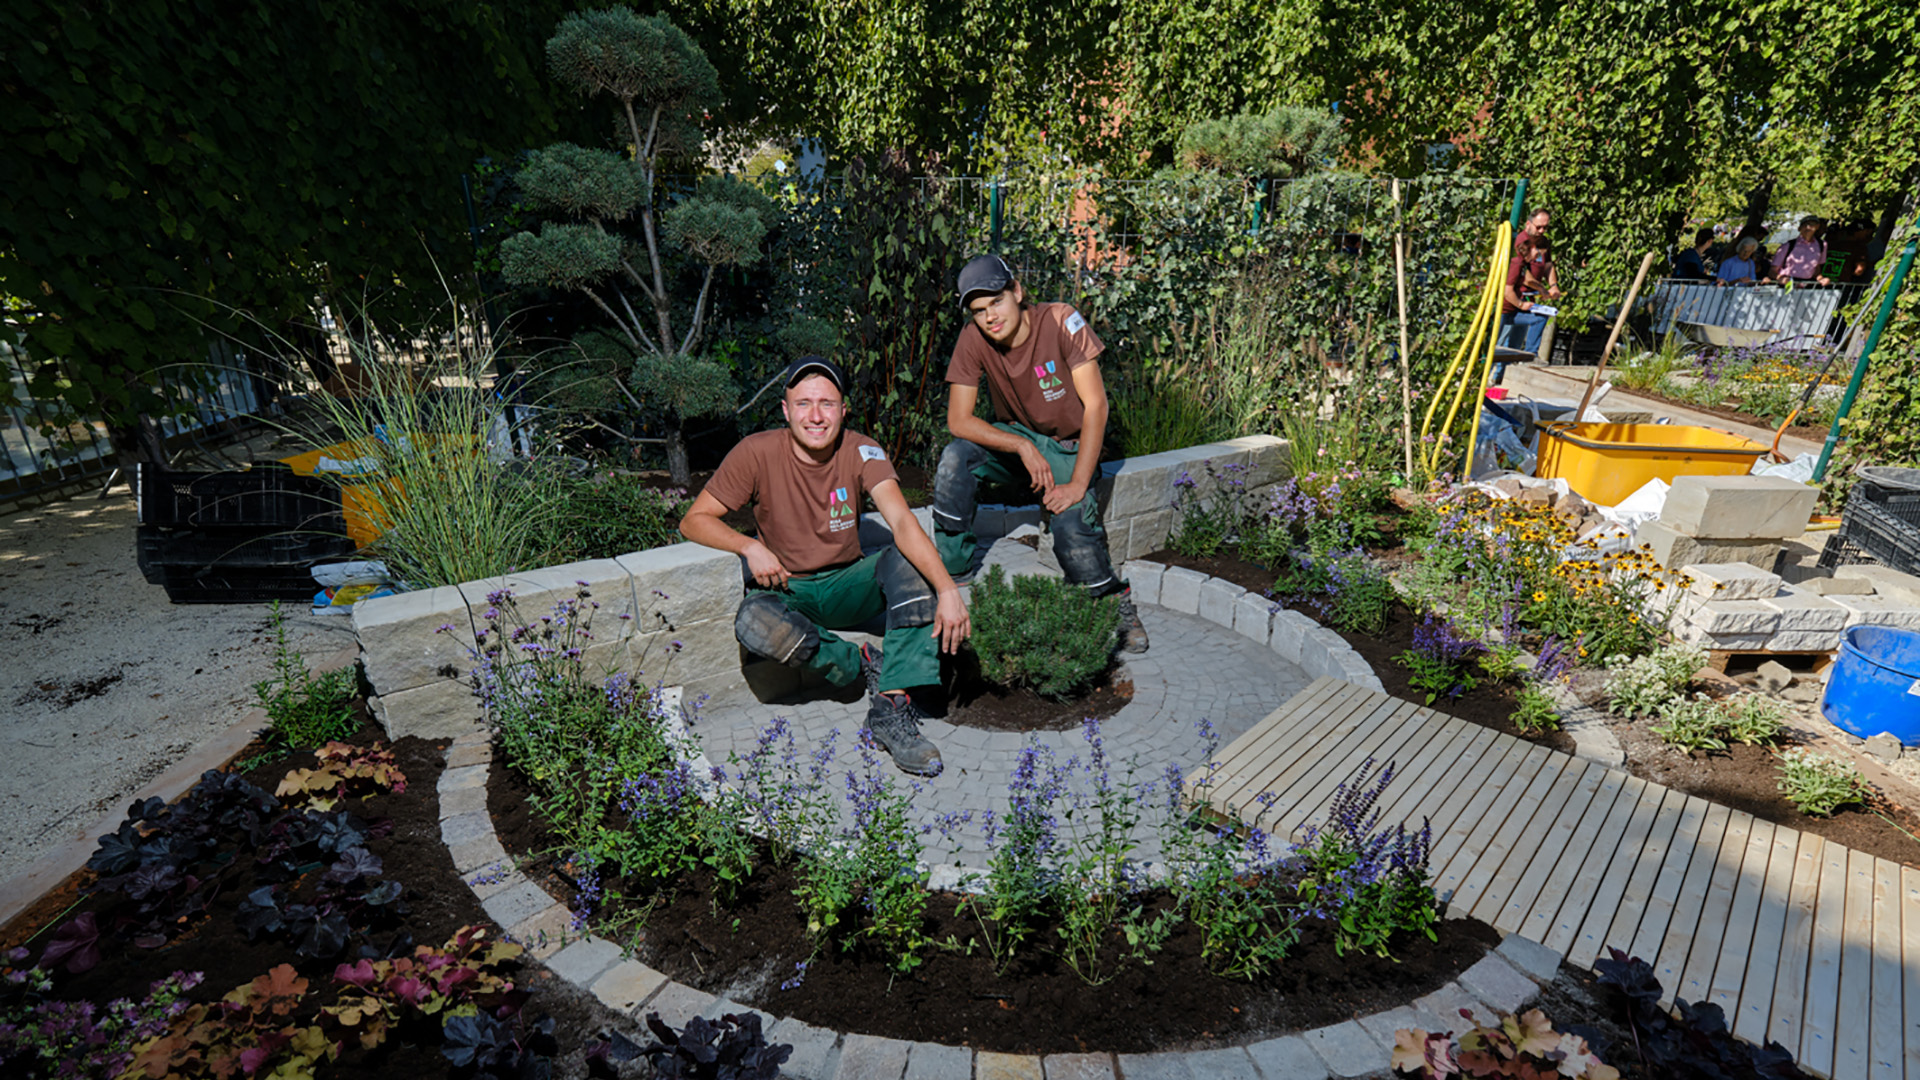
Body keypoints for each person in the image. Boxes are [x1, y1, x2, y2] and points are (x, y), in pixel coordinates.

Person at [679, 356, 968, 775]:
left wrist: (948, 590)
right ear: (785, 409)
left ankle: (892, 706)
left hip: (848, 585)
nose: (816, 416)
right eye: (804, 403)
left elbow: (903, 521)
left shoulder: (861, 449)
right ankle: (859, 662)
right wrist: (749, 547)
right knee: (753, 622)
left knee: (909, 562)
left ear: (843, 410)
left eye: (828, 404)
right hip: (786, 589)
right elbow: (693, 520)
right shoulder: (755, 452)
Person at [932, 254, 1149, 653]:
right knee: (954, 461)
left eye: (996, 301)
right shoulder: (973, 338)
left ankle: (1111, 600)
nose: (989, 317)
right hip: (1018, 441)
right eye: (979, 310)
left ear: (1017, 292)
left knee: (1070, 526)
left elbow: (1096, 407)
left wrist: (1079, 484)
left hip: (1070, 446)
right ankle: (952, 574)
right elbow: (958, 420)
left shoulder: (1060, 320)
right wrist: (1021, 445)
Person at [1499, 232, 1551, 358]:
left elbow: (1528, 279)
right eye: (1537, 255)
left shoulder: (1523, 263)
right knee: (1493, 344)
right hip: (1503, 311)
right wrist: (1521, 304)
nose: (1536, 259)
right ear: (1532, 247)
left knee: (1540, 318)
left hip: (1512, 311)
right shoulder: (1516, 263)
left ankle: (1531, 355)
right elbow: (1507, 291)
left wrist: (1542, 289)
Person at [1517, 208, 1563, 301]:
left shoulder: (1543, 241)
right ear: (1528, 224)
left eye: (1545, 227)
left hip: (1531, 296)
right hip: (1518, 296)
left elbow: (1548, 265)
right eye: (1538, 227)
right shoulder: (1521, 242)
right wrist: (1542, 289)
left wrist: (1553, 285)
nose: (1542, 231)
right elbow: (1524, 275)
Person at [1769, 216, 1831, 285]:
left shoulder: (1822, 245)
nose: (1808, 227)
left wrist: (1821, 279)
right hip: (1787, 283)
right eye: (1805, 225)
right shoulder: (1788, 245)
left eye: (1811, 224)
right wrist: (1780, 278)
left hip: (1807, 285)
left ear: (1817, 227)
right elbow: (1772, 271)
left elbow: (1817, 268)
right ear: (1799, 228)